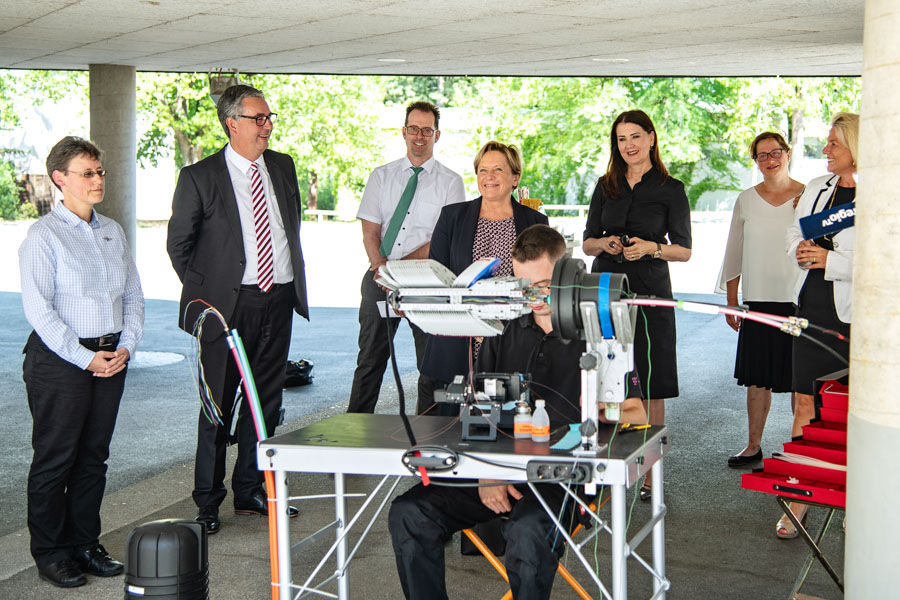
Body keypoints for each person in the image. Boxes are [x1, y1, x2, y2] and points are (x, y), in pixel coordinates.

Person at [389, 225, 646, 600]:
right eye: (524, 288)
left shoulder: (598, 331)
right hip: (497, 472)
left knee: (526, 534)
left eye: (543, 284)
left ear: (568, 273)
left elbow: (638, 414)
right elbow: (480, 412)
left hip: (566, 479)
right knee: (409, 513)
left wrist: (599, 408)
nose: (534, 297)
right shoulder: (504, 327)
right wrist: (484, 475)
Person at [167, 84, 308, 535]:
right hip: (226, 308)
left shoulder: (283, 167)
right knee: (217, 404)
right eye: (259, 119)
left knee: (265, 401)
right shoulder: (200, 177)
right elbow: (179, 246)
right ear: (233, 123)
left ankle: (251, 491)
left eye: (269, 118)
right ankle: (208, 502)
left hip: (278, 297)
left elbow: (290, 228)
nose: (268, 126)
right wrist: (210, 296)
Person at [19, 136, 144, 588]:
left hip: (111, 355)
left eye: (100, 172)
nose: (97, 180)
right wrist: (84, 358)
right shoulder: (43, 236)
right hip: (60, 360)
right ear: (59, 179)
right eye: (87, 173)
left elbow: (132, 295)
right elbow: (40, 310)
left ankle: (84, 543)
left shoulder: (112, 230)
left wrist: (126, 345)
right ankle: (51, 552)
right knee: (57, 459)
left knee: (94, 458)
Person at [582, 110, 691, 501]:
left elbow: (685, 250)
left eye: (634, 137)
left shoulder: (671, 188)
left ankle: (650, 469)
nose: (628, 145)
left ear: (651, 138)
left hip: (650, 288)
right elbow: (587, 242)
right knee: (605, 372)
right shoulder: (604, 185)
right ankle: (607, 460)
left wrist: (652, 248)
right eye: (621, 139)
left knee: (652, 378)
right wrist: (605, 244)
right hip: (606, 287)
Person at [349, 101, 465, 415]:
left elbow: (442, 238)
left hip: (426, 285)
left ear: (437, 136)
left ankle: (427, 434)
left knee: (430, 365)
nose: (419, 136)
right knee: (370, 360)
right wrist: (381, 268)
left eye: (427, 130)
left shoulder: (451, 182)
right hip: (378, 279)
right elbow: (370, 230)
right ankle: (354, 429)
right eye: (413, 129)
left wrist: (396, 270)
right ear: (403, 131)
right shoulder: (381, 176)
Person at [419, 141, 548, 412]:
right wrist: (473, 325)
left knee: (509, 424)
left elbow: (540, 284)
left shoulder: (535, 221)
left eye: (498, 169)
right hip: (459, 339)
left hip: (512, 340)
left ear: (515, 178)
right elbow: (438, 278)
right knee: (448, 427)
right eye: (482, 170)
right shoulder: (452, 216)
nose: (488, 177)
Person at [781, 112, 858, 538]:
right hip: (810, 303)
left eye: (834, 144)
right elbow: (794, 231)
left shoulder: (885, 193)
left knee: (851, 411)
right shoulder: (817, 188)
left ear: (857, 150)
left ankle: (855, 499)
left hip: (856, 314)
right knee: (804, 402)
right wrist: (802, 248)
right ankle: (800, 498)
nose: (825, 150)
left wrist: (834, 261)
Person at [716, 132, 805, 467]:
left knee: (800, 381)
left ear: (787, 153)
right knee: (757, 378)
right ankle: (753, 445)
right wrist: (731, 298)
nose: (770, 160)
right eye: (762, 155)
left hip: (798, 301)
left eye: (775, 152)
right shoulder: (746, 199)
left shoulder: (809, 196)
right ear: (755, 161)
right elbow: (734, 251)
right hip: (757, 301)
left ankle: (802, 448)